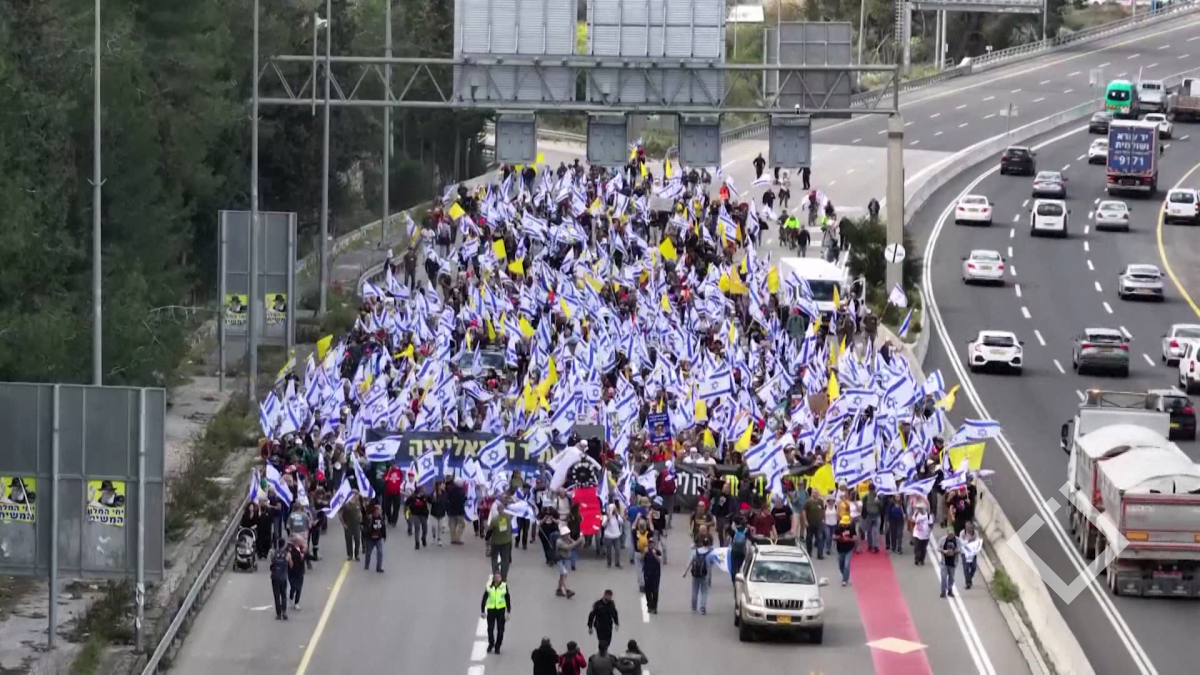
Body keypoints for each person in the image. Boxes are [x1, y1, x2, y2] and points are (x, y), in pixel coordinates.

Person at [480, 572, 511, 654]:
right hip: (491, 610)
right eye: (496, 577)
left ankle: (498, 646)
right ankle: (491, 643)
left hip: (501, 611)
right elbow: (484, 598)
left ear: (501, 578)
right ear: (493, 578)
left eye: (499, 577)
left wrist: (508, 611)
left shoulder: (504, 586)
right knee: (490, 629)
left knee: (501, 630)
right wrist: (482, 611)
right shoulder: (489, 586)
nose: (497, 579)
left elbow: (507, 598)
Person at [682, 538, 716, 614]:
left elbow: (690, 562)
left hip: (695, 574)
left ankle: (694, 608)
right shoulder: (710, 554)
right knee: (704, 592)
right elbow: (712, 564)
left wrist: (685, 572)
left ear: (702, 544)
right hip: (705, 575)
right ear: (708, 544)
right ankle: (702, 608)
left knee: (694, 591)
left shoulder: (696, 552)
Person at [488, 502, 515, 580]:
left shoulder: (494, 520)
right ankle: (504, 577)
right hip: (506, 542)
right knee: (505, 560)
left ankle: (496, 573)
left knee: (494, 558)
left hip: (495, 542)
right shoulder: (508, 517)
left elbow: (490, 530)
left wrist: (487, 539)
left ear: (497, 510)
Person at [556, 524, 584, 598]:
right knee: (564, 574)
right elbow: (568, 548)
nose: (568, 535)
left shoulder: (568, 539)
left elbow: (575, 544)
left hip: (567, 559)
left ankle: (559, 590)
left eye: (568, 533)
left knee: (562, 575)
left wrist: (580, 542)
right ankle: (567, 591)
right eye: (567, 534)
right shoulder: (559, 542)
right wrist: (578, 541)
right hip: (560, 559)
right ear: (563, 535)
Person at [269, 537, 291, 620]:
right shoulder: (287, 554)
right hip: (283, 577)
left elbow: (272, 563)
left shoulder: (274, 553)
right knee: (284, 595)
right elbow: (291, 564)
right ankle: (284, 611)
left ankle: (278, 614)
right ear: (284, 545)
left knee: (277, 596)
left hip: (275, 577)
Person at [363, 501, 386, 573]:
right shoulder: (370, 518)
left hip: (378, 538)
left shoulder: (381, 518)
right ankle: (367, 565)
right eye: (379, 510)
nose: (380, 511)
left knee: (380, 552)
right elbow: (366, 526)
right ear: (375, 510)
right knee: (368, 553)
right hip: (370, 539)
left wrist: (384, 536)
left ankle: (379, 567)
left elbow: (383, 527)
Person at [833, 514, 856, 586]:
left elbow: (855, 538)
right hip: (840, 549)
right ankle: (845, 575)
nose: (844, 525)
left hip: (849, 549)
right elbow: (834, 537)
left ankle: (845, 580)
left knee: (846, 564)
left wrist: (848, 539)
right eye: (843, 524)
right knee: (841, 566)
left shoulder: (851, 527)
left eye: (846, 524)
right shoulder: (838, 527)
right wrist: (839, 538)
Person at [641, 535, 662, 614]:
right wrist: (644, 553)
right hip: (647, 574)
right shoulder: (646, 551)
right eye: (650, 543)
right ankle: (649, 606)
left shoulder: (658, 551)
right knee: (648, 591)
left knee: (655, 591)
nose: (651, 545)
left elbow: (659, 560)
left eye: (652, 543)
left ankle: (654, 607)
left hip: (656, 574)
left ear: (654, 544)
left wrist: (654, 554)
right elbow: (641, 559)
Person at [406, 485, 430, 550]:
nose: (423, 492)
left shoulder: (425, 496)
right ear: (418, 491)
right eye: (422, 491)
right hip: (415, 514)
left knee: (425, 528)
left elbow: (430, 500)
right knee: (417, 527)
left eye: (423, 491)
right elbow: (407, 503)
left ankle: (423, 538)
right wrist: (408, 509)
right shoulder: (413, 497)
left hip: (423, 514)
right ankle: (417, 542)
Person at [803, 490, 825, 559]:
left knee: (820, 538)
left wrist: (823, 518)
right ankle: (809, 552)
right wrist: (805, 521)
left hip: (819, 524)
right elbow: (804, 512)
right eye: (814, 493)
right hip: (810, 524)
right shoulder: (808, 502)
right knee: (809, 538)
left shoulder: (820, 501)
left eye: (816, 493)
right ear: (812, 494)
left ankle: (820, 554)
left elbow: (823, 510)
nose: (815, 494)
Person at [601, 502, 624, 568]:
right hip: (608, 536)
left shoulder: (617, 516)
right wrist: (608, 518)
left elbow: (621, 522)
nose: (615, 510)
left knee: (617, 550)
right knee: (609, 551)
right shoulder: (606, 516)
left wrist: (617, 515)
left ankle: (617, 563)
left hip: (616, 536)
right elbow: (603, 525)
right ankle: (609, 563)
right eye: (614, 509)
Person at [860, 484, 882, 553]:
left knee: (875, 531)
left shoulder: (877, 496)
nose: (872, 491)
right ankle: (871, 545)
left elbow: (881, 506)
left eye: (872, 490)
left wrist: (878, 503)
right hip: (870, 516)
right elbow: (863, 505)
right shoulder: (866, 497)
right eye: (871, 490)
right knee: (870, 531)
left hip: (875, 515)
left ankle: (875, 546)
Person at [728, 516, 750, 583]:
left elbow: (728, 531)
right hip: (742, 551)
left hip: (734, 550)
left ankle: (734, 581)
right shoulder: (746, 530)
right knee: (740, 566)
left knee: (733, 566)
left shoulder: (733, 530)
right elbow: (750, 538)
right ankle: (739, 580)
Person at [341, 492, 362, 561]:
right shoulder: (346, 504)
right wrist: (343, 524)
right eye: (355, 495)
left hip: (356, 525)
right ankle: (350, 555)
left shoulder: (358, 503)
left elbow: (360, 511)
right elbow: (340, 515)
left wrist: (360, 517)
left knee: (357, 540)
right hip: (348, 525)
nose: (356, 496)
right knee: (348, 540)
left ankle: (357, 554)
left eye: (357, 495)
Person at [287, 536, 306, 610]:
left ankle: (296, 603)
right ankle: (291, 596)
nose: (302, 542)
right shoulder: (290, 549)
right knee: (293, 586)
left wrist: (313, 557)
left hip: (300, 571)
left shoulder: (302, 549)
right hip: (292, 572)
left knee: (299, 588)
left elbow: (306, 555)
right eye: (301, 541)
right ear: (297, 542)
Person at [960, 523, 982, 589]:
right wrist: (969, 540)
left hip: (972, 552)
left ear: (972, 528)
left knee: (973, 567)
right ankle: (968, 583)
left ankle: (969, 578)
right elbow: (962, 542)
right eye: (967, 527)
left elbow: (977, 540)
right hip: (965, 553)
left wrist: (974, 541)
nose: (968, 529)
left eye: (969, 527)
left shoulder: (975, 533)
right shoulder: (962, 533)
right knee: (966, 568)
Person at [940, 529, 960, 598]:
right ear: (947, 534)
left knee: (951, 578)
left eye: (952, 534)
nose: (951, 536)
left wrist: (954, 551)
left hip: (953, 563)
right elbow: (938, 548)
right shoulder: (943, 540)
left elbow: (961, 549)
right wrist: (944, 551)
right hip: (944, 563)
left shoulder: (957, 540)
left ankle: (950, 590)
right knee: (943, 577)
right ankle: (943, 592)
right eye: (949, 534)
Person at [430, 480, 449, 546]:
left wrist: (447, 510)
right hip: (434, 513)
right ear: (438, 486)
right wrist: (433, 498)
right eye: (442, 485)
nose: (443, 486)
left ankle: (439, 538)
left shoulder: (445, 493)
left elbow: (446, 502)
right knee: (434, 526)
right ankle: (433, 536)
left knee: (440, 527)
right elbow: (429, 501)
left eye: (443, 484)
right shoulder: (433, 493)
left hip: (442, 513)